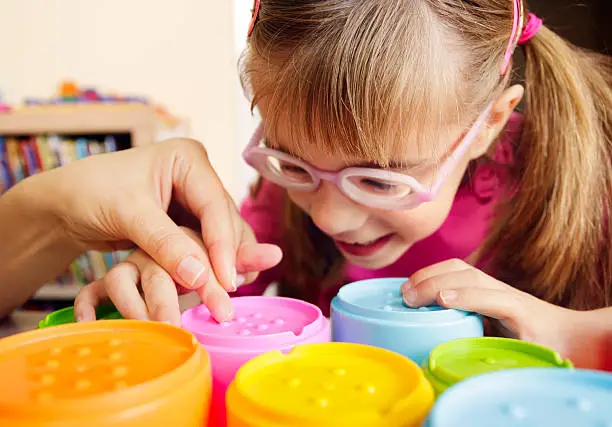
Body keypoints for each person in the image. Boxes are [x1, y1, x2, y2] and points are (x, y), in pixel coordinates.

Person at [76, 1, 612, 368]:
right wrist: (185, 273)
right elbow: (234, 272)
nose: (329, 218)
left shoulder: (589, 172)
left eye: (379, 180)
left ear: (489, 124)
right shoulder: (283, 199)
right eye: (291, 163)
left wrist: (579, 331)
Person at [0, 137, 282, 325]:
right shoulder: (273, 206)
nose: (325, 217)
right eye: (293, 164)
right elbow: (227, 296)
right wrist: (176, 267)